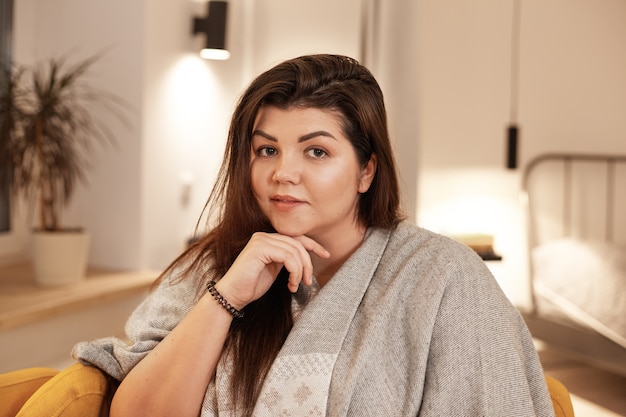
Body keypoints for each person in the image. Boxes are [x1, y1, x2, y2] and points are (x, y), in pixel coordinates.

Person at [72, 54, 554, 417]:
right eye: (266, 150)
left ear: (367, 170)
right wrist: (227, 297)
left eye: (316, 152)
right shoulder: (211, 265)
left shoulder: (445, 278)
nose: (283, 173)